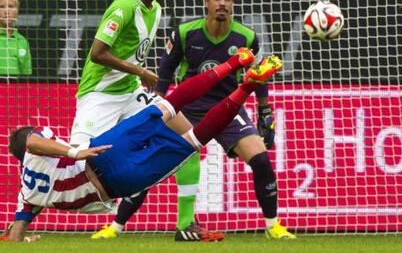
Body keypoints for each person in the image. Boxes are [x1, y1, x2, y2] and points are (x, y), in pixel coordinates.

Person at [5, 50, 282, 242]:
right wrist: (73, 151)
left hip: (118, 181)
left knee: (193, 139)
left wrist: (23, 238)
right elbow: (33, 141)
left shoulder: (27, 195)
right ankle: (235, 63)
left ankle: (245, 86)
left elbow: (15, 234)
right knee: (169, 106)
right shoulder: (32, 147)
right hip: (101, 154)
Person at [99, 0, 296, 240]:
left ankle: (274, 227)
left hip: (229, 108)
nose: (222, 4)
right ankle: (115, 227)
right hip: (187, 110)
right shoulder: (185, 32)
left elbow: (259, 74)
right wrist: (155, 109)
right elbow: (165, 73)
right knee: (152, 163)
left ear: (233, 4)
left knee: (261, 160)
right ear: (206, 2)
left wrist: (265, 111)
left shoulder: (246, 37)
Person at [69, 0, 216, 241]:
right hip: (98, 95)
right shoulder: (124, 6)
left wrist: (139, 79)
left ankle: (186, 225)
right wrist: (142, 71)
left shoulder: (157, 9)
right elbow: (97, 54)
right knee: (71, 162)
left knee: (189, 137)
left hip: (130, 93)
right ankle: (23, 219)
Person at [0, 0, 32, 75]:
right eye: (2, 7)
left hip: (14, 89)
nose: (7, 11)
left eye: (11, 6)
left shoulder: (23, 41)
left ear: (17, 10)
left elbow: (26, 75)